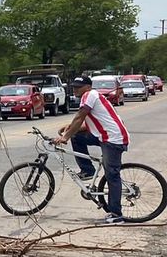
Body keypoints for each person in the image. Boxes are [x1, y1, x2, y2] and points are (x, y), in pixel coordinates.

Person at [53, 75, 130, 224]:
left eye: (78, 87)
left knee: (112, 175)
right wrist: (70, 129)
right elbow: (89, 123)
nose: (75, 89)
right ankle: (87, 170)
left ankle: (116, 215)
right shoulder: (91, 96)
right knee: (77, 137)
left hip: (113, 139)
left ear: (88, 87)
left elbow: (80, 117)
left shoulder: (90, 95)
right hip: (103, 136)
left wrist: (65, 137)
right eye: (74, 87)